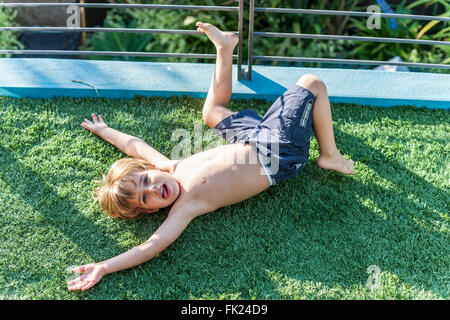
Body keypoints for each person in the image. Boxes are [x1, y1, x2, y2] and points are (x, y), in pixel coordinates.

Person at [67, 22, 354, 291]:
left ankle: (225, 47)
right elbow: (151, 246)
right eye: (145, 197)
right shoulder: (186, 206)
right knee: (313, 82)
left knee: (211, 112)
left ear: (149, 168)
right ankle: (329, 155)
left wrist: (104, 131)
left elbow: (135, 145)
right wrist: (104, 266)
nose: (152, 188)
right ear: (152, 210)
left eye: (145, 180)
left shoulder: (169, 165)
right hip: (279, 152)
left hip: (251, 138)